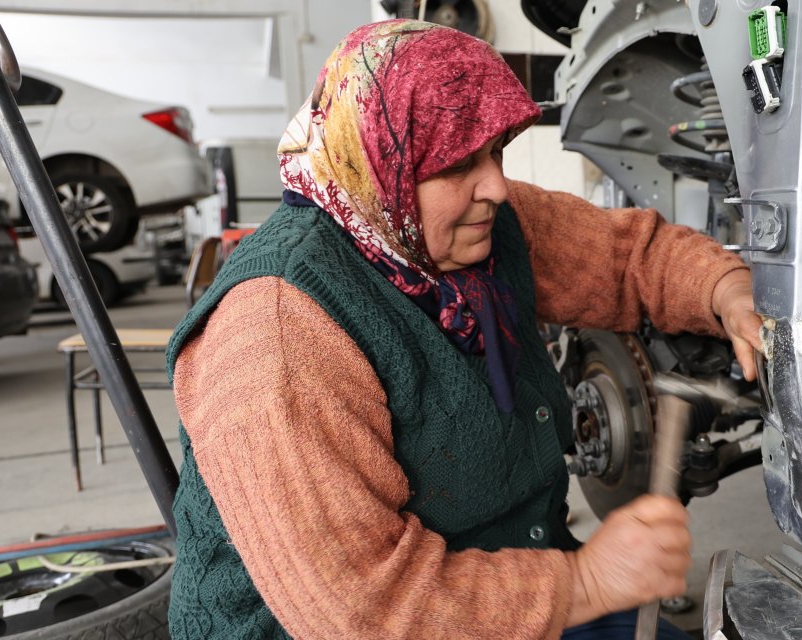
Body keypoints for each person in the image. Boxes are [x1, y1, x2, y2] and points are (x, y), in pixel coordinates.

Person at [165, 19, 762, 640]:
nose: (497, 186)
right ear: (378, 165)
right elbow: (364, 613)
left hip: (506, 586)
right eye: (456, 165)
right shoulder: (278, 337)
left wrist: (726, 290)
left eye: (497, 151)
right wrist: (587, 582)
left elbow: (628, 258)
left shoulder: (459, 227)